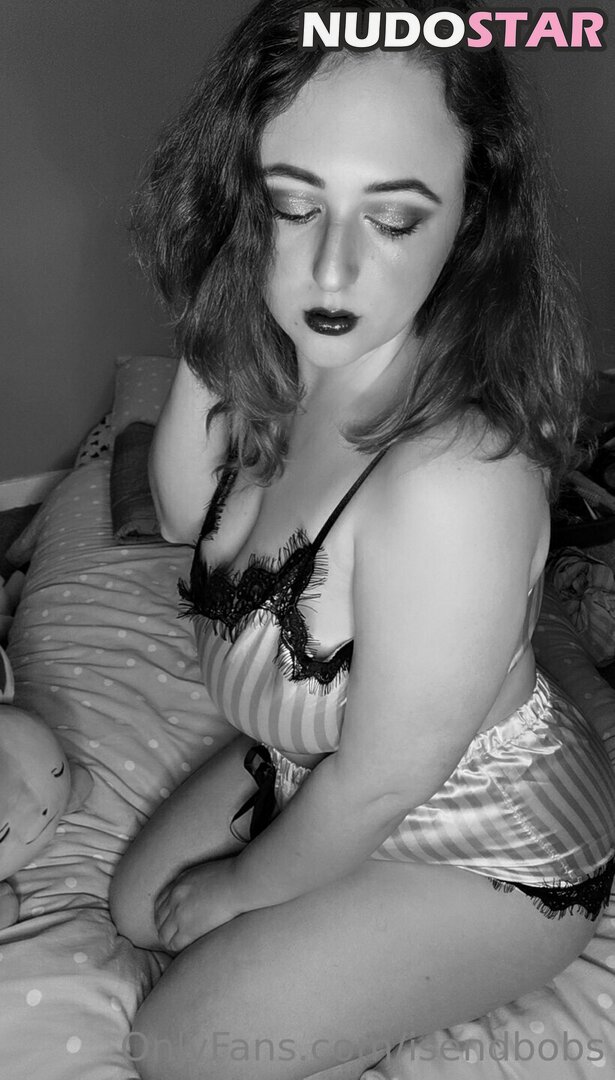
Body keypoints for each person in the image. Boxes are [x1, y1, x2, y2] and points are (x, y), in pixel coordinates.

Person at [110, 2, 615, 1077]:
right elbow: (182, 515)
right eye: (293, 206)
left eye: (392, 221)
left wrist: (241, 890)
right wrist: (221, 299)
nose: (331, 273)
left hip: (479, 844)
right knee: (138, 911)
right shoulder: (287, 365)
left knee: (179, 1046)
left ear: (470, 219)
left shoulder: (457, 480)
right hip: (316, 764)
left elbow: (383, 779)